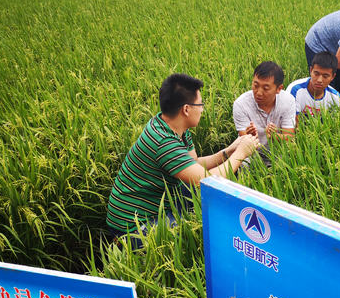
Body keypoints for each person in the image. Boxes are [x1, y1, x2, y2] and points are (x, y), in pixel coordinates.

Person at [107, 73, 259, 243]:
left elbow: (193, 165)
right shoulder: (163, 141)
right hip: (132, 225)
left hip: (155, 205)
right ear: (186, 109)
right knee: (192, 233)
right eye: (200, 104)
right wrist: (241, 154)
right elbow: (208, 182)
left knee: (203, 206)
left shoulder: (173, 126)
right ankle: (123, 245)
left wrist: (229, 151)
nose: (202, 109)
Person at [233, 61, 296, 166]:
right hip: (252, 153)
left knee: (291, 159)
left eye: (266, 88)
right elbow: (244, 140)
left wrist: (275, 136)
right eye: (255, 85)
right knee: (244, 163)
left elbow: (289, 136)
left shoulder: (288, 101)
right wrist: (250, 137)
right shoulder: (241, 104)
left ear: (279, 89)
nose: (258, 92)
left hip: (278, 152)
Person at [285, 51, 340, 120]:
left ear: (333, 77)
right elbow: (290, 122)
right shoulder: (295, 90)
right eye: (316, 74)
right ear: (311, 70)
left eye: (325, 76)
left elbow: (336, 124)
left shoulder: (335, 97)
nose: (319, 80)